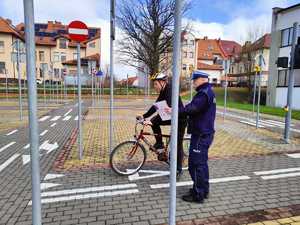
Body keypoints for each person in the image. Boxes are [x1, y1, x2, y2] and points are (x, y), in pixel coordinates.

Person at [165, 70, 216, 203]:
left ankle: (198, 194)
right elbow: (194, 108)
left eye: (195, 80)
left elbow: (192, 109)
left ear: (202, 79)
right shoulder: (207, 91)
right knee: (201, 164)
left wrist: (174, 110)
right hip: (204, 133)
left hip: (201, 134)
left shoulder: (203, 94)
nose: (193, 82)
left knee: (196, 165)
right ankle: (203, 190)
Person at [138, 72, 187, 176]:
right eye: (154, 84)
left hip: (180, 119)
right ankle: (159, 143)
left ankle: (178, 169)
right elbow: (156, 106)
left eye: (156, 84)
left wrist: (151, 121)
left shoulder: (170, 90)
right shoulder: (163, 91)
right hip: (171, 117)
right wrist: (144, 116)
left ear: (162, 82)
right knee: (154, 121)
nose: (154, 87)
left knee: (176, 144)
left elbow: (166, 110)